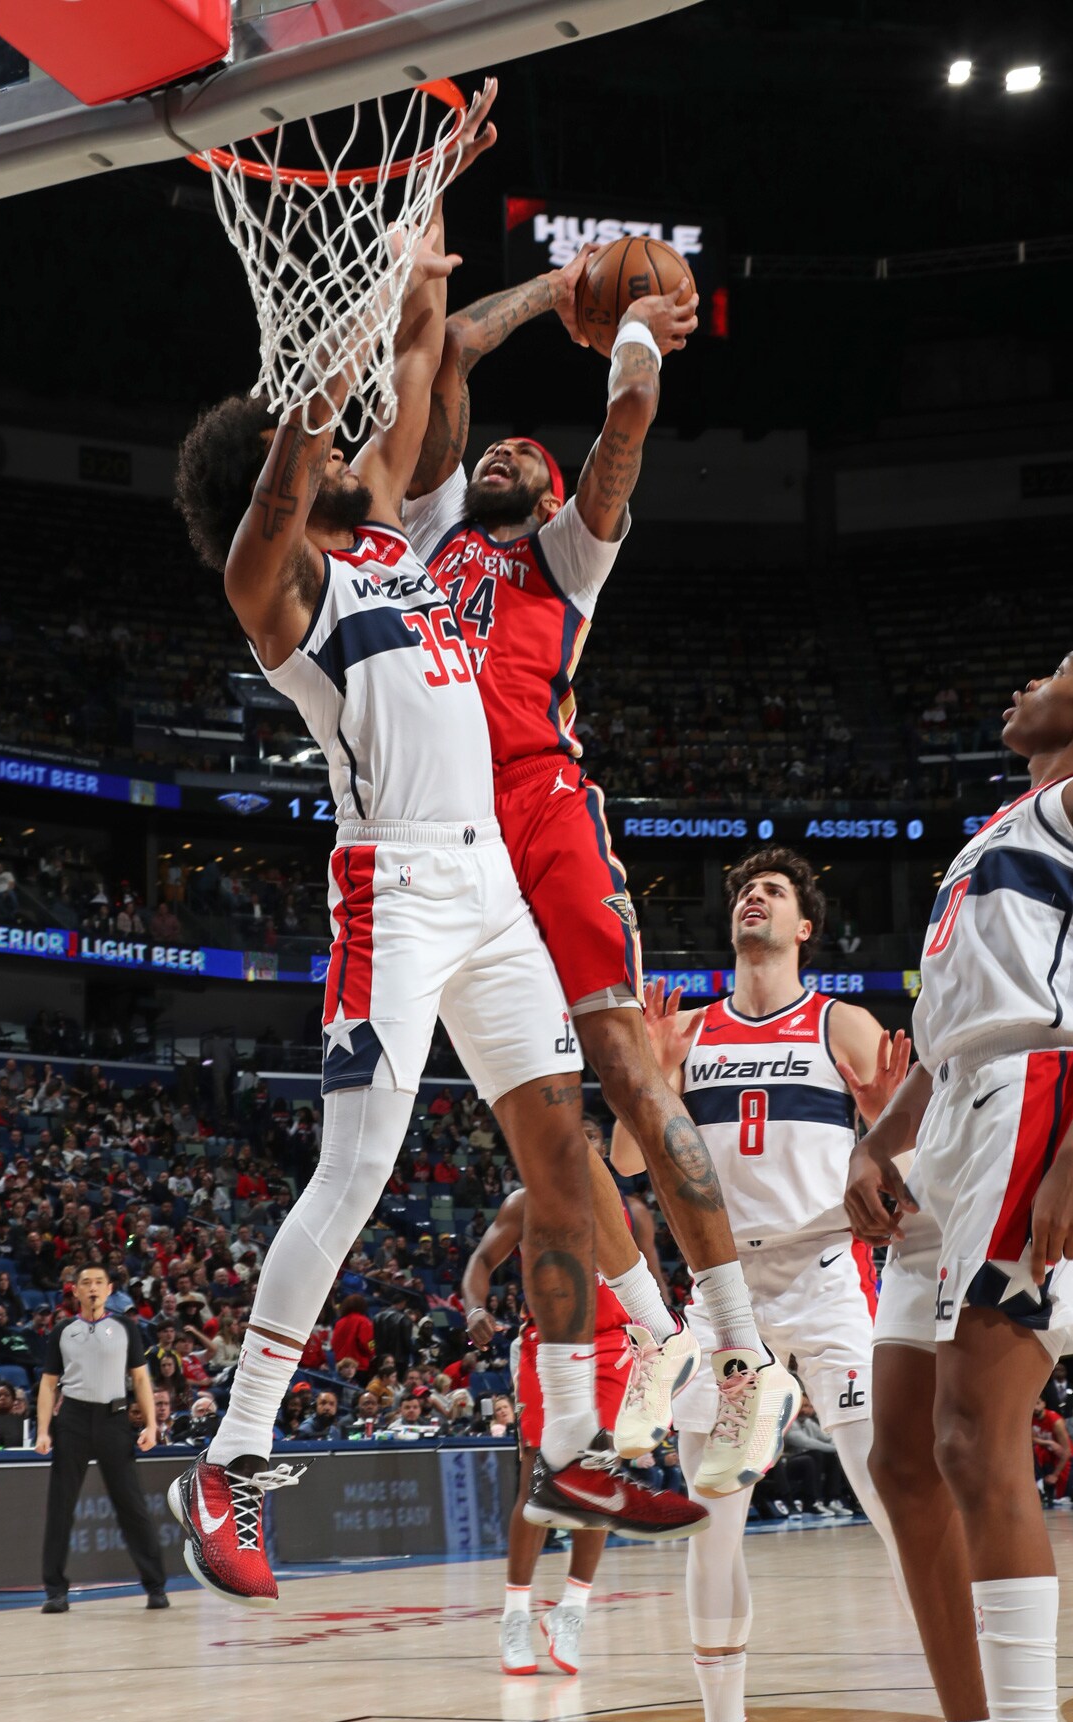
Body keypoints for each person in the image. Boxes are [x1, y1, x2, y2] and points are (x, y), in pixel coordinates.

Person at [166, 82, 707, 1609]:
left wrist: (421, 224)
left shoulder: (399, 541)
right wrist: (308, 381)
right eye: (324, 460)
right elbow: (294, 473)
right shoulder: (281, 590)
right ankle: (235, 1459)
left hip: (485, 885)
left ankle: (629, 1403)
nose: (364, 455)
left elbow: (426, 347)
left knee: (560, 1147)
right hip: (392, 885)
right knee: (356, 1170)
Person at [401, 252, 797, 1501]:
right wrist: (548, 287)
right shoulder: (425, 540)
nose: (500, 456)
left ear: (553, 490)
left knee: (627, 1070)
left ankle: (737, 1347)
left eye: (524, 452)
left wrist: (631, 330)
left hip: (544, 807)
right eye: (490, 455)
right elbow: (448, 353)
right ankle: (633, 1362)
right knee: (551, 1152)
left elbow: (625, 424)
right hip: (454, 839)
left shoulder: (564, 560)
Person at [846, 644, 1073, 1722]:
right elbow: (943, 1016)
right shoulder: (995, 829)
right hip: (951, 1108)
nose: (1022, 682)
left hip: (1037, 1096)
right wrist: (874, 1136)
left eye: (1052, 672)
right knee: (897, 1454)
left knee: (974, 1439)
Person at [612, 847, 910, 1722]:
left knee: (888, 1488)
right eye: (744, 889)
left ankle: (981, 1715)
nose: (753, 897)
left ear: (803, 927)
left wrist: (882, 1124)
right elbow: (621, 1160)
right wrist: (647, 1082)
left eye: (773, 892)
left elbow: (902, 1169)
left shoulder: (840, 1023)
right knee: (711, 1522)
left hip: (823, 1284)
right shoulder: (687, 1030)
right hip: (721, 1295)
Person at [462, 1114, 695, 1677]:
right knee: (537, 1475)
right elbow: (480, 1263)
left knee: (600, 1476)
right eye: (576, 1141)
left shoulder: (630, 1211)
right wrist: (475, 1308)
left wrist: (660, 1346)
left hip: (617, 1343)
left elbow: (655, 1283)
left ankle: (572, 1610)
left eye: (593, 1141)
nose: (586, 1151)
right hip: (549, 1343)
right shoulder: (526, 1202)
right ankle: (515, 1613)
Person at [35, 1264, 167, 1613]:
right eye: (85, 1283)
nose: (91, 1288)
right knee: (60, 1507)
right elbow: (49, 1384)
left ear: (109, 1289)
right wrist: (43, 1430)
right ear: (74, 1291)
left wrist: (151, 1426)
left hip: (114, 1419)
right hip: (73, 1419)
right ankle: (55, 1591)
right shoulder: (63, 1331)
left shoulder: (125, 1327)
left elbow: (140, 1380)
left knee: (131, 1505)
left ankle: (155, 1586)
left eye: (98, 1282)